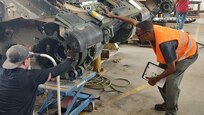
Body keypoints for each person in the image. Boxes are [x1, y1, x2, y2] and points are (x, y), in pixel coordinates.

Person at [102, 7, 198, 115]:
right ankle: (168, 103)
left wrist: (155, 79)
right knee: (160, 78)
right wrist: (112, 15)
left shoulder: (164, 44)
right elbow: (132, 21)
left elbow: (172, 68)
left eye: (138, 34)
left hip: (188, 53)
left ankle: (171, 111)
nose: (137, 36)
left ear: (147, 34)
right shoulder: (145, 28)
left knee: (171, 81)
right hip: (176, 50)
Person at [0, 44, 75, 115]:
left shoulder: (1, 72)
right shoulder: (31, 77)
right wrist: (69, 59)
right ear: (25, 61)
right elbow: (56, 71)